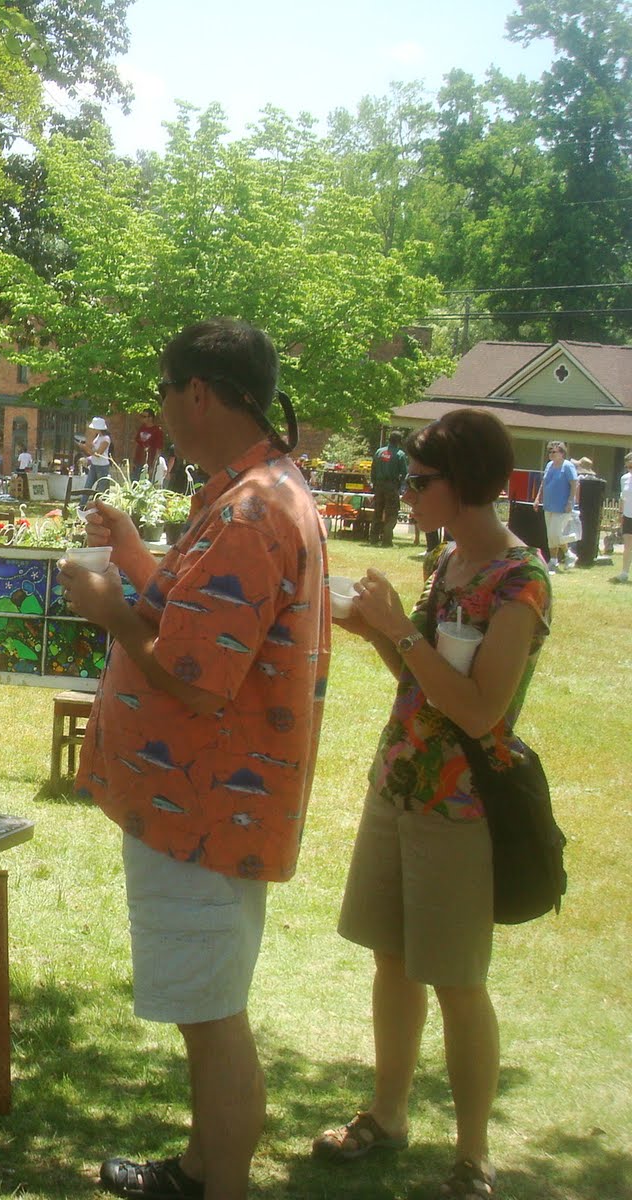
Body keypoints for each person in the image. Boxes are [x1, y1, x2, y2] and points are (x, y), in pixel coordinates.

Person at [60, 318, 329, 1200]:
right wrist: (136, 555)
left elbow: (196, 676)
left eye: (165, 392)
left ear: (199, 394)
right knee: (206, 1011)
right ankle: (200, 1170)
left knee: (214, 1021)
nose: (159, 410)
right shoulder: (250, 492)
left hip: (204, 811)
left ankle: (224, 1187)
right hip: (203, 808)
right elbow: (197, 617)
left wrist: (110, 608)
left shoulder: (254, 510)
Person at [314, 408, 550, 1200]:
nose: (406, 493)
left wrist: (399, 633)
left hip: (463, 808)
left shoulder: (522, 583)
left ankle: (473, 1157)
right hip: (401, 786)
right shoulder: (446, 563)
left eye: (420, 481)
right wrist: (373, 628)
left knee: (456, 979)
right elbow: (417, 683)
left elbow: (482, 712)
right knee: (391, 958)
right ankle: (387, 1116)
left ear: (467, 484)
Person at [539, 440, 578, 572]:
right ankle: (554, 561)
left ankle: (568, 554)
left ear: (562, 453)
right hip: (548, 505)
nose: (551, 454)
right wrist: (537, 498)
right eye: (549, 451)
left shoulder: (568, 466)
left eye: (554, 451)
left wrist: (570, 502)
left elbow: (574, 484)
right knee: (551, 535)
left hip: (562, 507)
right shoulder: (549, 465)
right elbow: (544, 483)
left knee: (555, 533)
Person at [370, 430, 410, 546]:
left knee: (377, 512)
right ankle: (386, 540)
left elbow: (373, 470)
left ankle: (373, 539)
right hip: (391, 486)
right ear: (399, 441)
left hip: (379, 486)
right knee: (391, 513)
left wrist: (375, 484)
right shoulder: (400, 454)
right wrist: (400, 485)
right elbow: (404, 473)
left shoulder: (379, 452)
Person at [614, 456, 632, 584]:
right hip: (628, 515)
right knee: (627, 546)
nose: (629, 469)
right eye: (627, 466)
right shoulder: (624, 478)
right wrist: (620, 514)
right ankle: (624, 572)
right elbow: (622, 498)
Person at [132, 408, 164, 480]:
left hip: (149, 462)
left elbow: (158, 449)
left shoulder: (157, 430)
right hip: (138, 461)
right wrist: (133, 460)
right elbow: (136, 444)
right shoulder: (142, 428)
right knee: (134, 483)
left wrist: (153, 465)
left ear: (150, 418)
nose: (142, 418)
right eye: (142, 416)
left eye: (144, 416)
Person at [82, 417, 112, 491]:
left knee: (101, 489)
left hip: (102, 466)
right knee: (87, 486)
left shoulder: (106, 439)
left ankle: (98, 502)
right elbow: (94, 447)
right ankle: (82, 502)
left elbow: (98, 454)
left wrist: (86, 448)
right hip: (94, 464)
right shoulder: (98, 437)